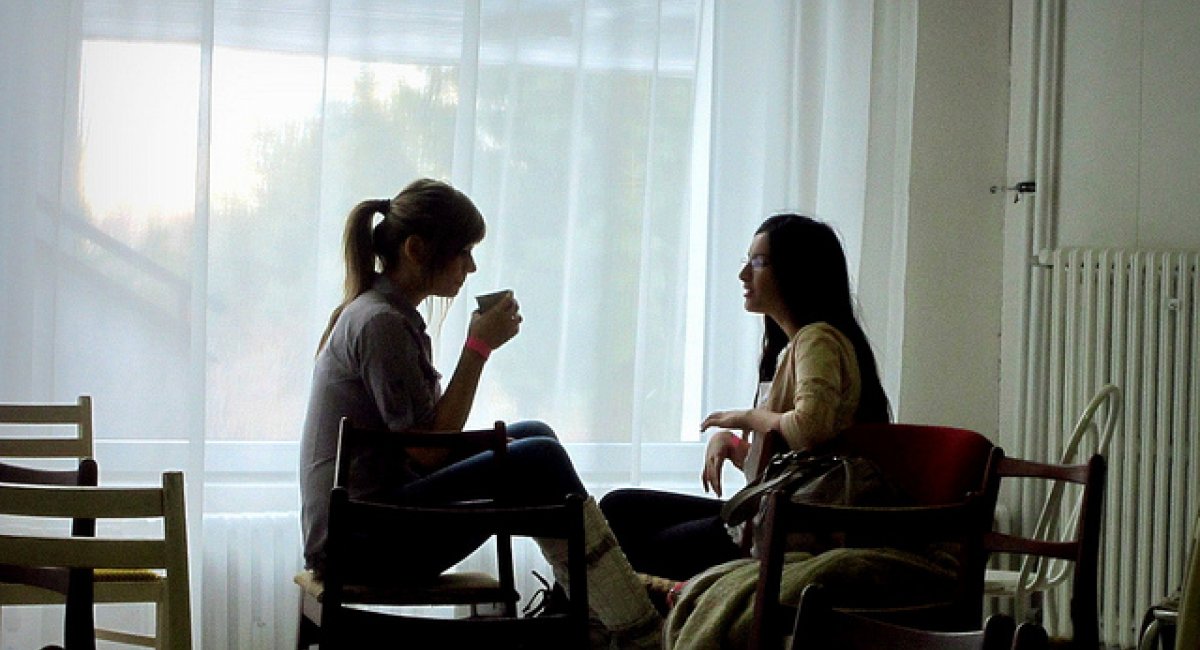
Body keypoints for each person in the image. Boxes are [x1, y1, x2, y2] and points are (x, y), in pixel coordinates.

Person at [298, 178, 660, 648]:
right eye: (463, 251)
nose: (471, 265)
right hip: (362, 543)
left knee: (535, 437)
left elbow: (424, 446)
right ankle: (634, 628)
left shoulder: (383, 313)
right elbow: (427, 454)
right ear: (416, 248)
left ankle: (587, 612)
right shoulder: (381, 323)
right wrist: (477, 348)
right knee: (538, 458)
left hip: (370, 522)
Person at [599, 213, 891, 585]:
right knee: (619, 508)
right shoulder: (793, 346)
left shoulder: (817, 339)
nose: (743, 275)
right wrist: (735, 445)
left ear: (796, 270)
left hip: (793, 528)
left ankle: (608, 630)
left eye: (758, 263)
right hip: (775, 509)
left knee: (635, 547)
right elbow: (789, 461)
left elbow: (810, 429)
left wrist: (747, 418)